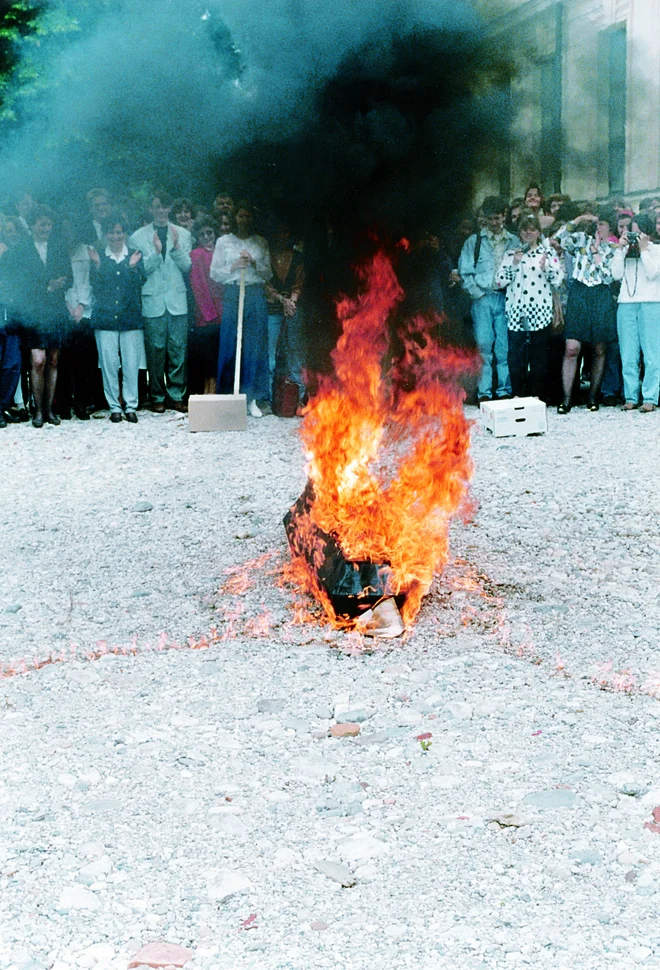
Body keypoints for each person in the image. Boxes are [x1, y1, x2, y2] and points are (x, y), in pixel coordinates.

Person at [3, 205, 72, 427]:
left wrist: (62, 283)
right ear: (32, 225)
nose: (46, 228)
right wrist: (46, 286)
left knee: (53, 359)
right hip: (33, 311)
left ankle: (49, 409)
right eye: (42, 224)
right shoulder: (22, 250)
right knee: (38, 359)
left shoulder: (59, 247)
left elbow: (69, 277)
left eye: (49, 224)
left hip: (55, 310)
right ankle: (38, 410)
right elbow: (19, 283)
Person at [129, 191, 192, 413]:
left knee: (178, 348)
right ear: (150, 208)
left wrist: (174, 248)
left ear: (170, 208)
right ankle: (156, 395)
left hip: (176, 299)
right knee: (155, 349)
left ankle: (176, 395)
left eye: (165, 207)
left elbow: (187, 267)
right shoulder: (138, 236)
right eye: (157, 206)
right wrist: (157, 253)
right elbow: (141, 270)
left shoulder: (183, 234)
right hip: (153, 299)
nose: (161, 211)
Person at [210, 200, 271, 417]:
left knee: (253, 346)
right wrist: (233, 266)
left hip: (254, 294)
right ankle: (228, 396)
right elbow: (214, 273)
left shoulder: (260, 242)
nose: (244, 220)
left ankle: (251, 398)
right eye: (240, 216)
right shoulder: (224, 242)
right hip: (234, 293)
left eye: (248, 216)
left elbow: (268, 274)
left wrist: (254, 262)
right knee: (230, 343)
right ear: (234, 218)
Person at [554, 208, 618, 412]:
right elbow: (558, 239)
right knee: (572, 347)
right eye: (596, 223)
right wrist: (579, 218)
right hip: (580, 292)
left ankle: (593, 397)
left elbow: (609, 277)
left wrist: (597, 252)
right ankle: (566, 398)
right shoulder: (581, 239)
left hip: (600, 294)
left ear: (609, 227)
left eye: (602, 224)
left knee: (599, 348)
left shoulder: (613, 249)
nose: (598, 227)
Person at [495, 212, 564, 399]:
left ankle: (537, 396)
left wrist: (546, 268)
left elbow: (557, 279)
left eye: (533, 230)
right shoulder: (510, 254)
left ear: (538, 232)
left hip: (539, 310)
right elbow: (500, 282)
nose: (528, 233)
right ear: (520, 232)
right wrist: (515, 264)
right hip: (517, 311)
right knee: (516, 355)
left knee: (538, 356)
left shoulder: (547, 252)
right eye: (525, 229)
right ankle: (518, 394)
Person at [458, 196, 518, 402]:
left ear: (504, 216)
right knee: (483, 345)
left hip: (505, 298)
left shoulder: (513, 241)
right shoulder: (474, 242)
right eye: (491, 218)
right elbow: (466, 272)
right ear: (485, 217)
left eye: (498, 218)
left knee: (503, 347)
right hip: (483, 298)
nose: (495, 223)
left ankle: (503, 389)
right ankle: (484, 391)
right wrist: (478, 294)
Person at [88, 213, 147, 422]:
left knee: (131, 364)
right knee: (109, 364)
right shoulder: (98, 257)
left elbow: (140, 281)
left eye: (119, 232)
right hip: (105, 318)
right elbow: (96, 285)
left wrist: (130, 267)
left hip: (130, 318)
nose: (115, 236)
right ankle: (114, 406)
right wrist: (97, 266)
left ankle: (131, 405)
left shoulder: (136, 255)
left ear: (125, 233)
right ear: (105, 234)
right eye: (111, 232)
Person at [611, 212, 660, 412]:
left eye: (639, 233)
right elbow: (615, 274)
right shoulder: (624, 251)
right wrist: (620, 250)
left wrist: (644, 250)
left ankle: (650, 397)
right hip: (626, 303)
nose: (635, 237)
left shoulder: (656, 250)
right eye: (632, 232)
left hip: (651, 303)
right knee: (628, 353)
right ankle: (630, 396)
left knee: (651, 353)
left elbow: (652, 272)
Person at [265, 219, 304, 408]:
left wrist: (292, 302)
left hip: (293, 308)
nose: (282, 236)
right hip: (273, 308)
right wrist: (282, 300)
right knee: (270, 355)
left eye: (285, 232)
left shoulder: (297, 257)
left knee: (295, 353)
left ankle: (299, 399)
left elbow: (298, 283)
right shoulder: (268, 255)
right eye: (279, 232)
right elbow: (266, 283)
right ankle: (269, 399)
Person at [189, 214, 223, 395]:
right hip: (206, 317)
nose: (207, 237)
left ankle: (216, 393)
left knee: (219, 357)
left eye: (210, 232)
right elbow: (198, 286)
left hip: (224, 314)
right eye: (202, 234)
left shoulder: (222, 251)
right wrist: (211, 314)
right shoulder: (196, 255)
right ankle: (207, 394)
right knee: (207, 358)